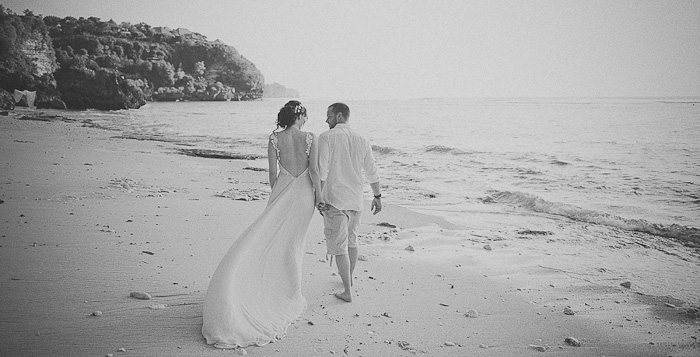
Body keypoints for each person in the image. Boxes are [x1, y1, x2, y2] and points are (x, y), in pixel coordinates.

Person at [202, 101, 321, 349]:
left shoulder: (275, 138)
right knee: (293, 244)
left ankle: (271, 287)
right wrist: (319, 199)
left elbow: (272, 173)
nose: (307, 121)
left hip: (283, 190)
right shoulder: (311, 137)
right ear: (300, 116)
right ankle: (288, 291)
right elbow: (315, 172)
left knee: (272, 240)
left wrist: (275, 195)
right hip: (304, 197)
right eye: (305, 116)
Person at [317, 102, 382, 303]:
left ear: (338, 116)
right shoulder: (362, 139)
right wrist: (378, 197)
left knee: (338, 247)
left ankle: (347, 291)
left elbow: (322, 169)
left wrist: (318, 196)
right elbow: (372, 170)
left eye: (328, 116)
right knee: (352, 242)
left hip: (335, 200)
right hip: (355, 199)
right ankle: (349, 280)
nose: (326, 120)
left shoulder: (326, 137)